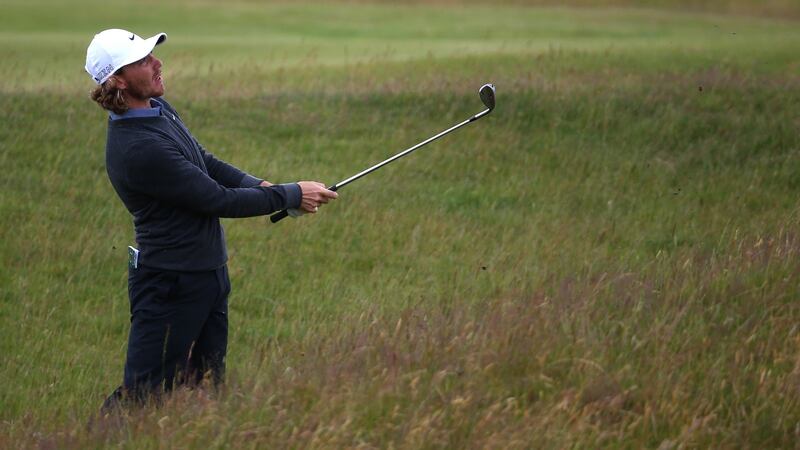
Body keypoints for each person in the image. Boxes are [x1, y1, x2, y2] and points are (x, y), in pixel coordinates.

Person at [85, 29, 337, 411]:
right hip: (169, 284)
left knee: (205, 386)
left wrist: (264, 186)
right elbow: (215, 199)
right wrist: (289, 194)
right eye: (142, 61)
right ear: (118, 79)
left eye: (152, 55)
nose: (157, 63)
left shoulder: (158, 110)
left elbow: (206, 162)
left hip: (206, 274)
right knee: (143, 395)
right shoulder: (140, 149)